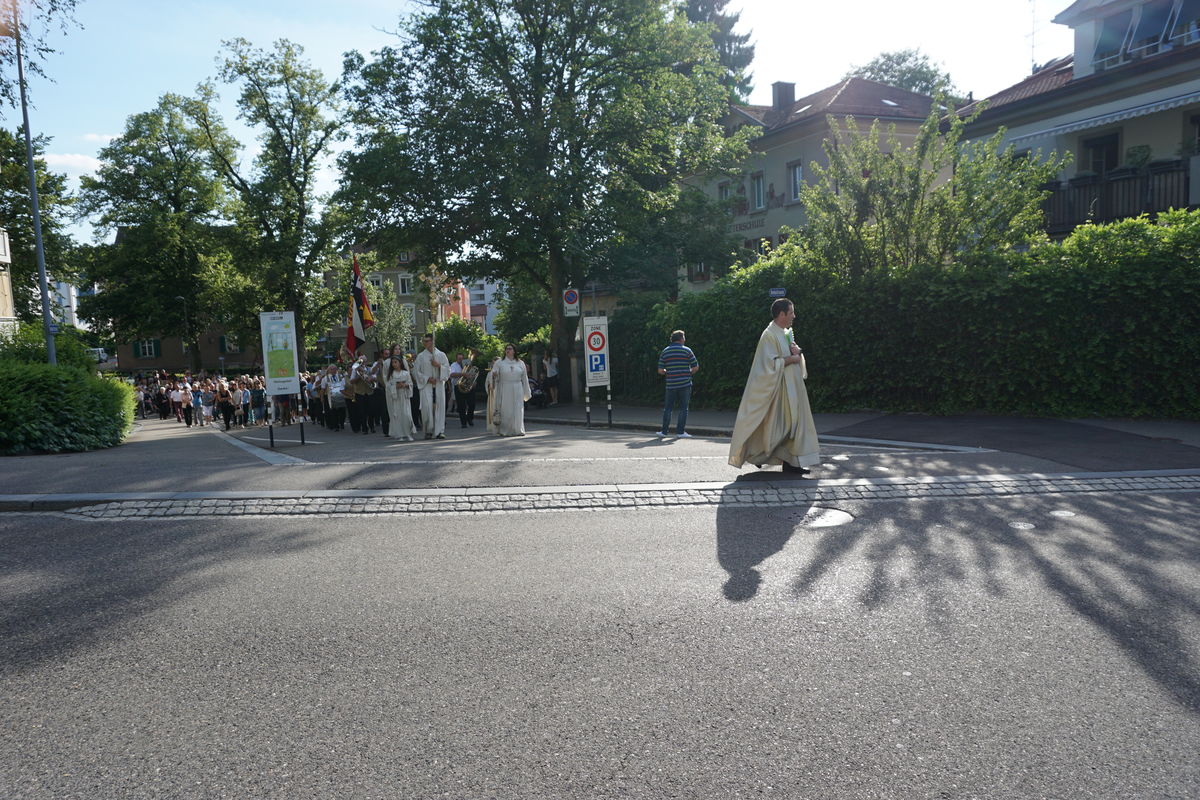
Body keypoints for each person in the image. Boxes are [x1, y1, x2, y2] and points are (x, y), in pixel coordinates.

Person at [728, 298, 820, 476]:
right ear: (782, 314)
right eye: (791, 312)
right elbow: (767, 365)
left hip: (793, 389)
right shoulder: (769, 335)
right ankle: (757, 455)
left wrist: (797, 353)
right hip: (779, 391)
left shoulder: (785, 333)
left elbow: (792, 354)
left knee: (795, 426)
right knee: (781, 428)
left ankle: (793, 463)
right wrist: (792, 359)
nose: (794, 316)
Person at [656, 329, 699, 438]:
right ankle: (680, 432)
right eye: (684, 337)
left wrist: (668, 371)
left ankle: (664, 432)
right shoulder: (687, 350)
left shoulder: (665, 351)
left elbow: (660, 371)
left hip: (671, 384)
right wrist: (688, 373)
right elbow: (695, 367)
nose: (685, 339)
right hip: (685, 384)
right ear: (680, 339)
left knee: (668, 408)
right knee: (683, 408)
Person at [413, 334, 450, 439]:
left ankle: (439, 431)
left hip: (438, 385)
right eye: (424, 341)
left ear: (432, 341)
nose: (425, 343)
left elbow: (448, 370)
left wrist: (438, 366)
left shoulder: (441, 355)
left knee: (439, 408)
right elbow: (416, 372)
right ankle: (428, 431)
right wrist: (427, 378)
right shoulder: (421, 356)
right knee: (426, 408)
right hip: (426, 386)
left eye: (427, 341)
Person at [492, 343, 531, 436]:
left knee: (518, 409)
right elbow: (494, 374)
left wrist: (526, 392)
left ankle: (518, 430)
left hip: (518, 387)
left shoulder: (520, 363)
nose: (508, 350)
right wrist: (494, 376)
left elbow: (524, 378)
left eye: (510, 349)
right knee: (506, 410)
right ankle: (505, 430)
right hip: (505, 387)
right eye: (506, 349)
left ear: (514, 351)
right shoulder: (500, 362)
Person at [384, 355, 415, 441]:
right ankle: (400, 434)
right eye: (392, 363)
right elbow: (389, 386)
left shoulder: (406, 373)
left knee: (407, 415)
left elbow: (410, 384)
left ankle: (408, 433)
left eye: (395, 362)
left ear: (400, 363)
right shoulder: (391, 374)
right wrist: (396, 386)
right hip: (396, 397)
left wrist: (405, 385)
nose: (394, 364)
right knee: (397, 415)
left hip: (404, 397)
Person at [454, 349, 479, 428]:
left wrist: (474, 381)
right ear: (456, 359)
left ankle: (469, 418)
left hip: (469, 387)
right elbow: (451, 374)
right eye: (459, 359)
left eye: (462, 359)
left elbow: (473, 374)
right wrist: (462, 374)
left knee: (472, 404)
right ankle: (463, 423)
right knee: (461, 406)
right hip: (458, 387)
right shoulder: (454, 365)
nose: (460, 360)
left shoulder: (468, 365)